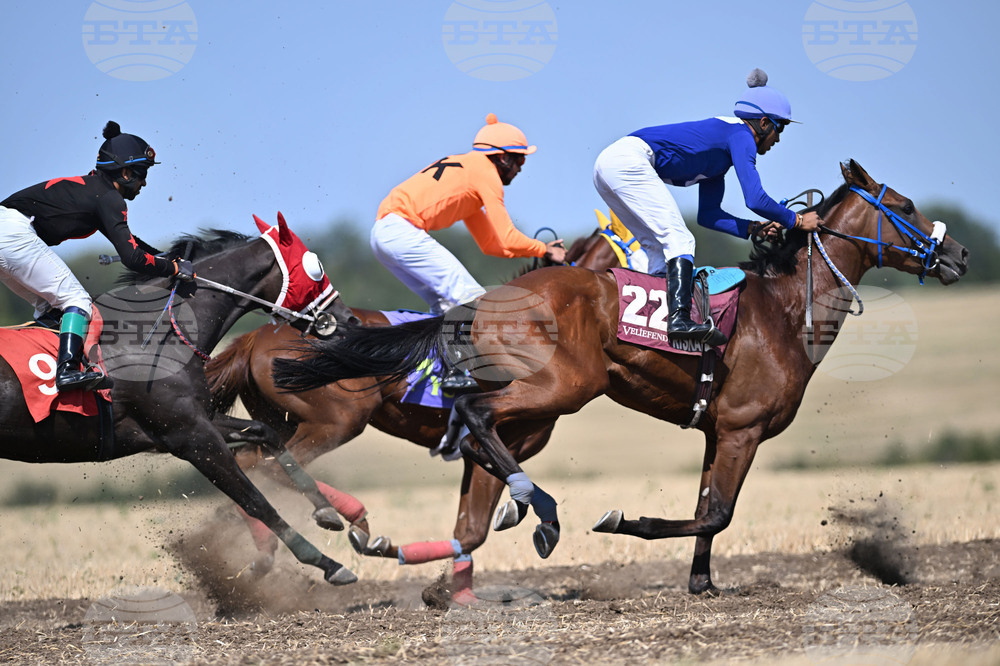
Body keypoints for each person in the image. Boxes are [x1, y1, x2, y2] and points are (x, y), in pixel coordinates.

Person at [593, 69, 821, 347]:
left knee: (656, 247)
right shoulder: (741, 136)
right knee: (679, 239)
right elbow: (756, 199)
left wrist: (754, 228)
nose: (778, 138)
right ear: (763, 123)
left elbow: (709, 215)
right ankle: (679, 321)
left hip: (611, 165)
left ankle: (652, 321)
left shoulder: (719, 158)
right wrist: (796, 220)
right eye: (779, 128)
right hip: (626, 162)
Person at [371, 113, 566, 390]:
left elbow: (492, 244)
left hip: (384, 234)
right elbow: (508, 236)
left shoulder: (470, 172)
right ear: (502, 157)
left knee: (444, 306)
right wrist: (544, 249)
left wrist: (536, 252)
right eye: (520, 158)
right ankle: (457, 373)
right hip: (401, 233)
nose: (521, 167)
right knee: (473, 299)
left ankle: (437, 371)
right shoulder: (486, 174)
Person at [0, 121, 195, 392]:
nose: (144, 182)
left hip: (7, 233)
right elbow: (133, 259)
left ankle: (35, 371)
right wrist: (173, 269)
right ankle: (66, 372)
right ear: (125, 172)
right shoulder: (109, 199)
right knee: (77, 301)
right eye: (141, 173)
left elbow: (129, 242)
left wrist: (165, 257)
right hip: (12, 236)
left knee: (52, 309)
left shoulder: (96, 190)